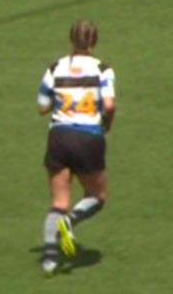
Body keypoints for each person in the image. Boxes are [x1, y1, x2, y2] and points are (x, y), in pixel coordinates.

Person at [37, 20, 116, 277]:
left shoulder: (55, 67)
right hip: (88, 137)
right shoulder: (103, 70)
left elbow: (42, 105)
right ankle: (70, 222)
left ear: (71, 40)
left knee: (58, 201)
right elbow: (110, 104)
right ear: (94, 42)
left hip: (59, 136)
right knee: (96, 195)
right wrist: (107, 123)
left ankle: (49, 260)